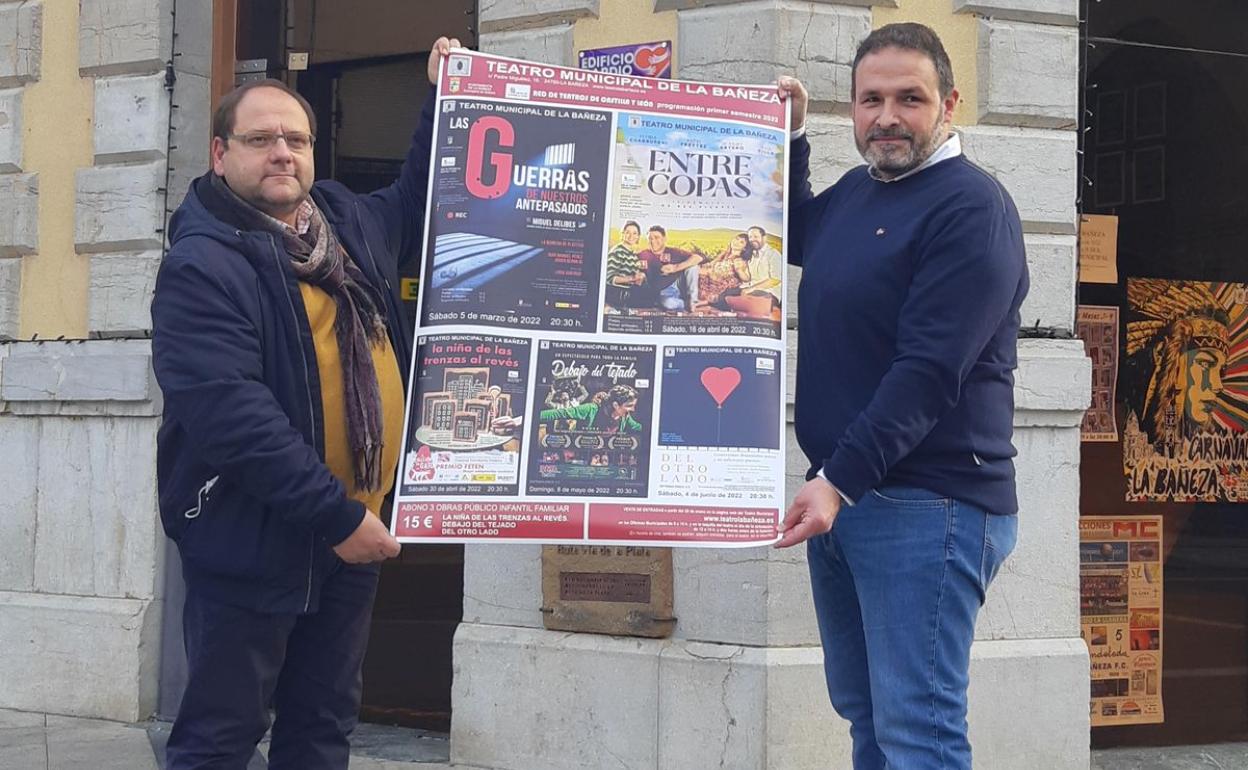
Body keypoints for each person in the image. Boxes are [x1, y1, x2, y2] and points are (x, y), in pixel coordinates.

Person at [151, 37, 461, 770]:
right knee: (221, 736)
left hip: (349, 541)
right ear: (221, 153)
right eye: (261, 139)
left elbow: (417, 199)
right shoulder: (202, 263)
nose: (282, 152)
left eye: (296, 138)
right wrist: (340, 516)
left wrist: (442, 96)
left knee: (321, 730)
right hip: (253, 539)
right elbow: (234, 419)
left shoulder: (344, 226)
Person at [775, 22, 1029, 770]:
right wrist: (786, 138)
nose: (887, 116)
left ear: (948, 104)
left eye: (909, 98)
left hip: (929, 504)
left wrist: (836, 482)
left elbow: (927, 372)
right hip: (849, 496)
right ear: (851, 110)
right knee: (868, 718)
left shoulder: (971, 209)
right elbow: (790, 235)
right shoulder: (859, 191)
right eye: (871, 99)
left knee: (918, 731)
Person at [630, 225, 702, 311]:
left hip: (679, 283)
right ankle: (687, 304)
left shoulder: (673, 251)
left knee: (693, 266)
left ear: (664, 239)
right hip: (664, 291)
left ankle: (693, 300)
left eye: (656, 237)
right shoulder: (643, 254)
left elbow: (698, 258)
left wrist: (675, 268)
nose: (653, 241)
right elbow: (630, 264)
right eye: (650, 238)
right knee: (667, 304)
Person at [538, 384, 643, 433]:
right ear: (616, 405)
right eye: (629, 406)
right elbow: (560, 413)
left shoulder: (625, 417)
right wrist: (531, 417)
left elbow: (639, 427)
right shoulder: (590, 409)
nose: (633, 409)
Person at [696, 232, 753, 308]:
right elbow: (710, 264)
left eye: (741, 242)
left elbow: (747, 278)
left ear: (745, 248)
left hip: (721, 284)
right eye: (737, 239)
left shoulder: (739, 260)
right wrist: (700, 267)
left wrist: (739, 270)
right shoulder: (725, 254)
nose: (737, 242)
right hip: (710, 278)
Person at [604, 220, 646, 307]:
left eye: (635, 233)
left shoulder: (633, 255)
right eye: (628, 232)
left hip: (630, 291)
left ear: (638, 236)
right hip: (618, 293)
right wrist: (633, 278)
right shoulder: (616, 251)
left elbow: (635, 278)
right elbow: (610, 279)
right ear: (623, 234)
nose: (631, 236)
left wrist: (640, 278)